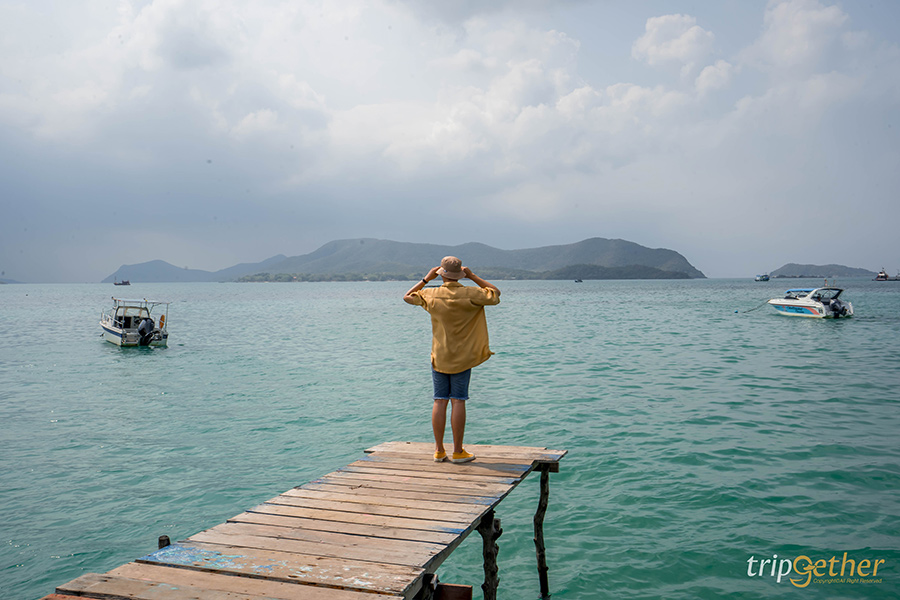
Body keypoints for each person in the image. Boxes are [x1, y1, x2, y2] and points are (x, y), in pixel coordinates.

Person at [404, 256, 500, 463]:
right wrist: (473, 276)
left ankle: (439, 450)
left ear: (441, 273)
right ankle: (458, 451)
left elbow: (407, 297)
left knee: (440, 400)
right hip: (463, 357)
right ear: (461, 274)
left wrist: (426, 279)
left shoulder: (430, 294)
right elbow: (495, 293)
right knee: (459, 400)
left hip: (440, 355)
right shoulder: (472, 293)